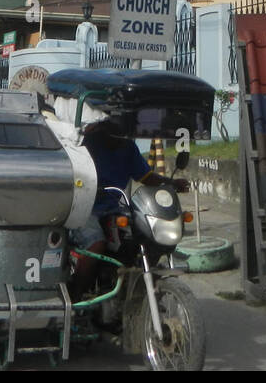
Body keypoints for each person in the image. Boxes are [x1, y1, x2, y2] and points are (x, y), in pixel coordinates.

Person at [70, 124, 188, 295]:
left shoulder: (128, 148)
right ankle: (77, 294)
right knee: (96, 243)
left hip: (113, 207)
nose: (120, 136)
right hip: (83, 208)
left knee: (142, 234)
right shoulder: (88, 144)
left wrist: (172, 183)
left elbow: (146, 177)